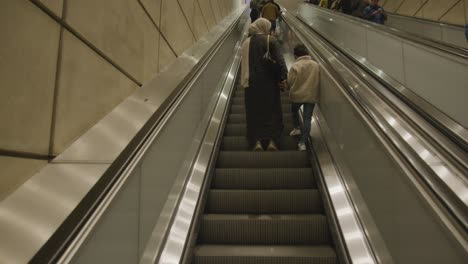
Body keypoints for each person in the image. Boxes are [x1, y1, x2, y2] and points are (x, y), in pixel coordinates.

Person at [241, 18, 288, 151]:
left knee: (254, 111)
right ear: (265, 27)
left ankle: (256, 142)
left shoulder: (246, 42)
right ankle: (273, 141)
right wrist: (283, 78)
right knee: (272, 110)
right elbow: (280, 61)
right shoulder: (271, 40)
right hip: (269, 83)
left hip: (251, 83)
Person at [287, 44, 320, 151]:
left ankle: (296, 127)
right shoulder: (315, 65)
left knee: (294, 110)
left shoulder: (295, 66)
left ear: (296, 55)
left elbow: (290, 81)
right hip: (310, 95)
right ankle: (302, 143)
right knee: (307, 119)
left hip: (297, 95)